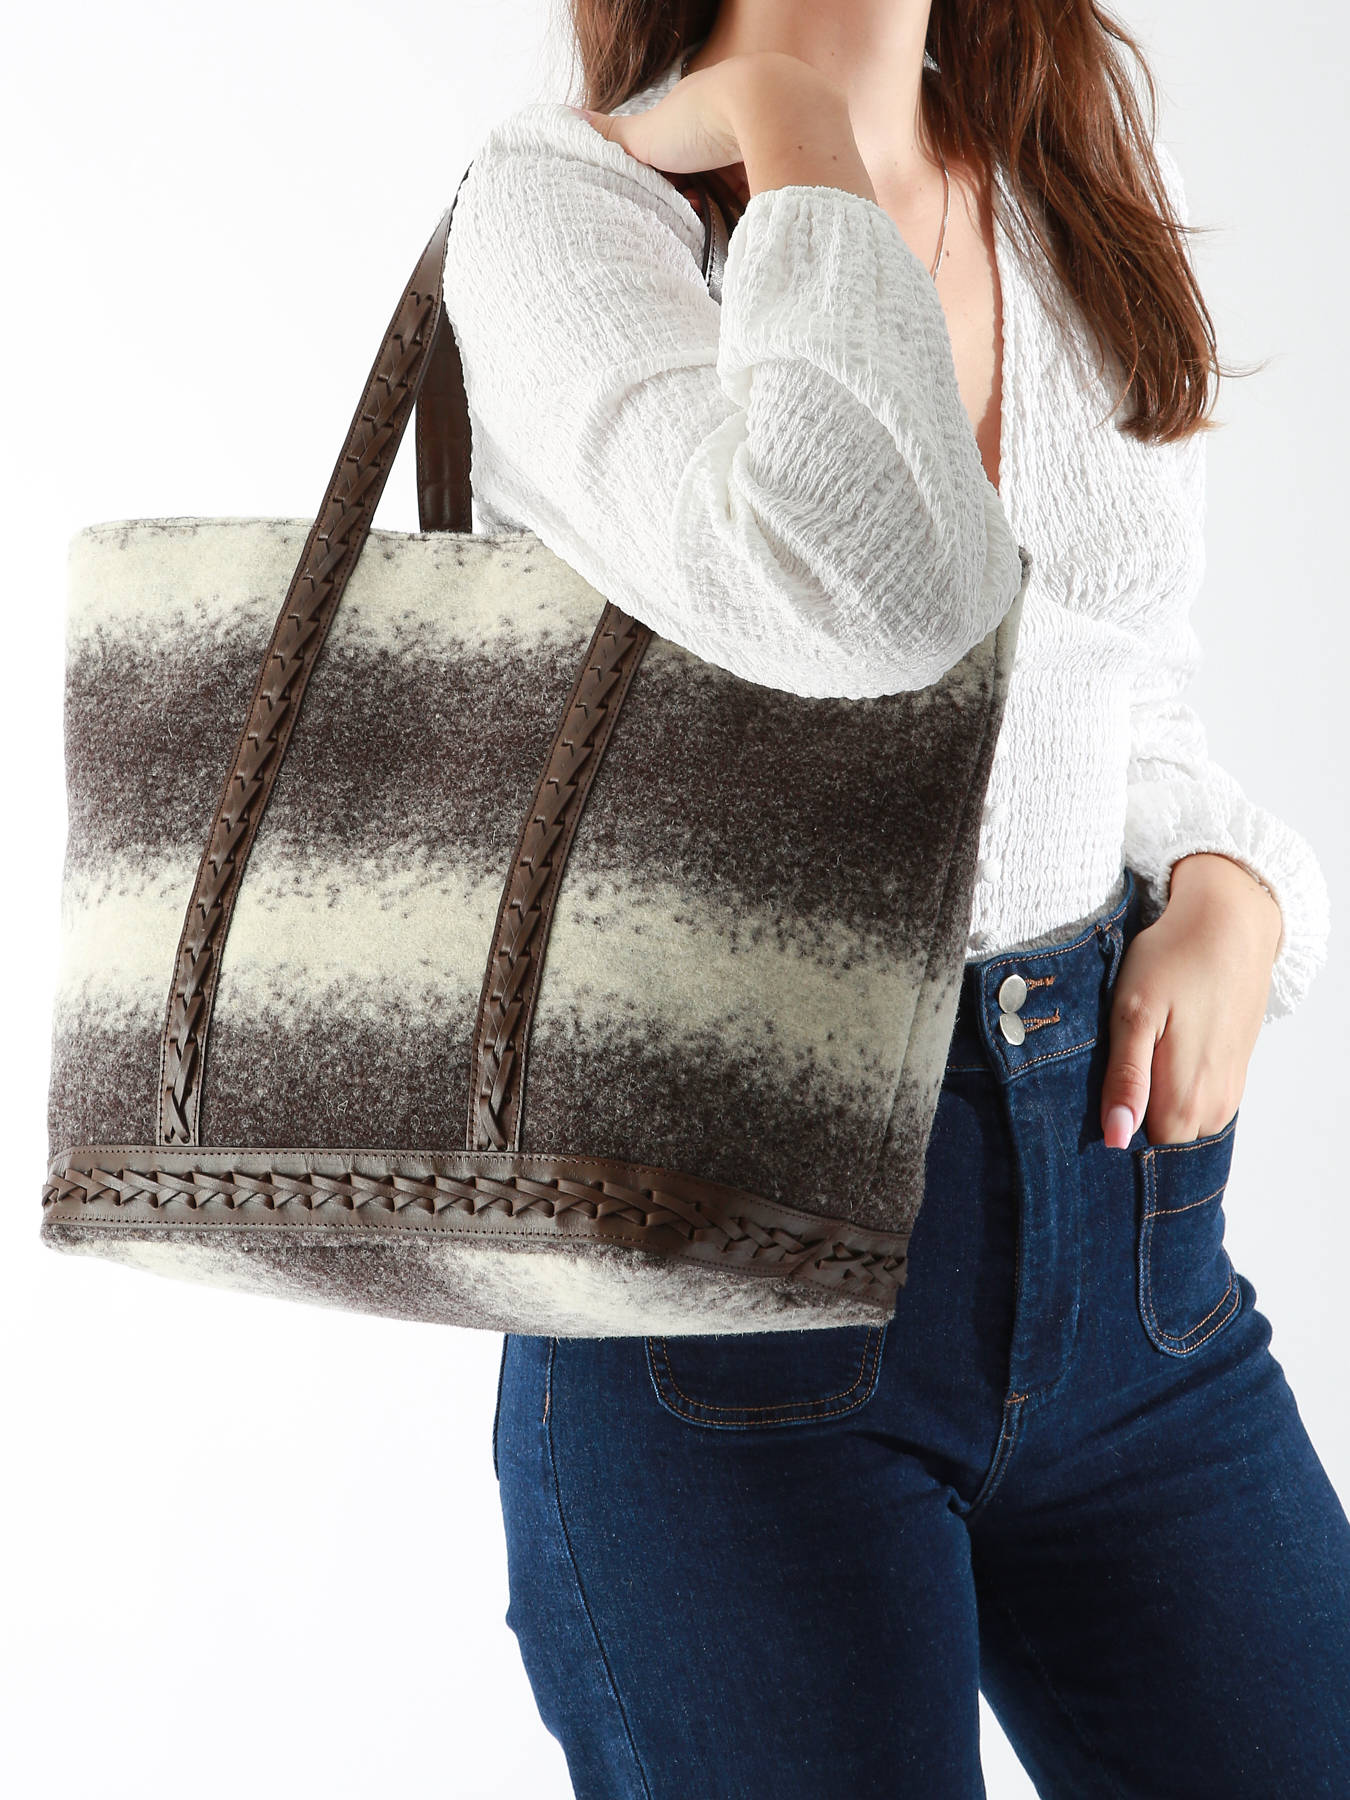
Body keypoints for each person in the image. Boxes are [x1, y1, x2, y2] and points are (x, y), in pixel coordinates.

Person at [442, 2, 1350, 1793]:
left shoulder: (1051, 178)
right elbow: (857, 593)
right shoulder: (569, 207)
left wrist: (1232, 882)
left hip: (1135, 1268)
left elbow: (1113, 680)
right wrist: (791, 125)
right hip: (723, 1302)